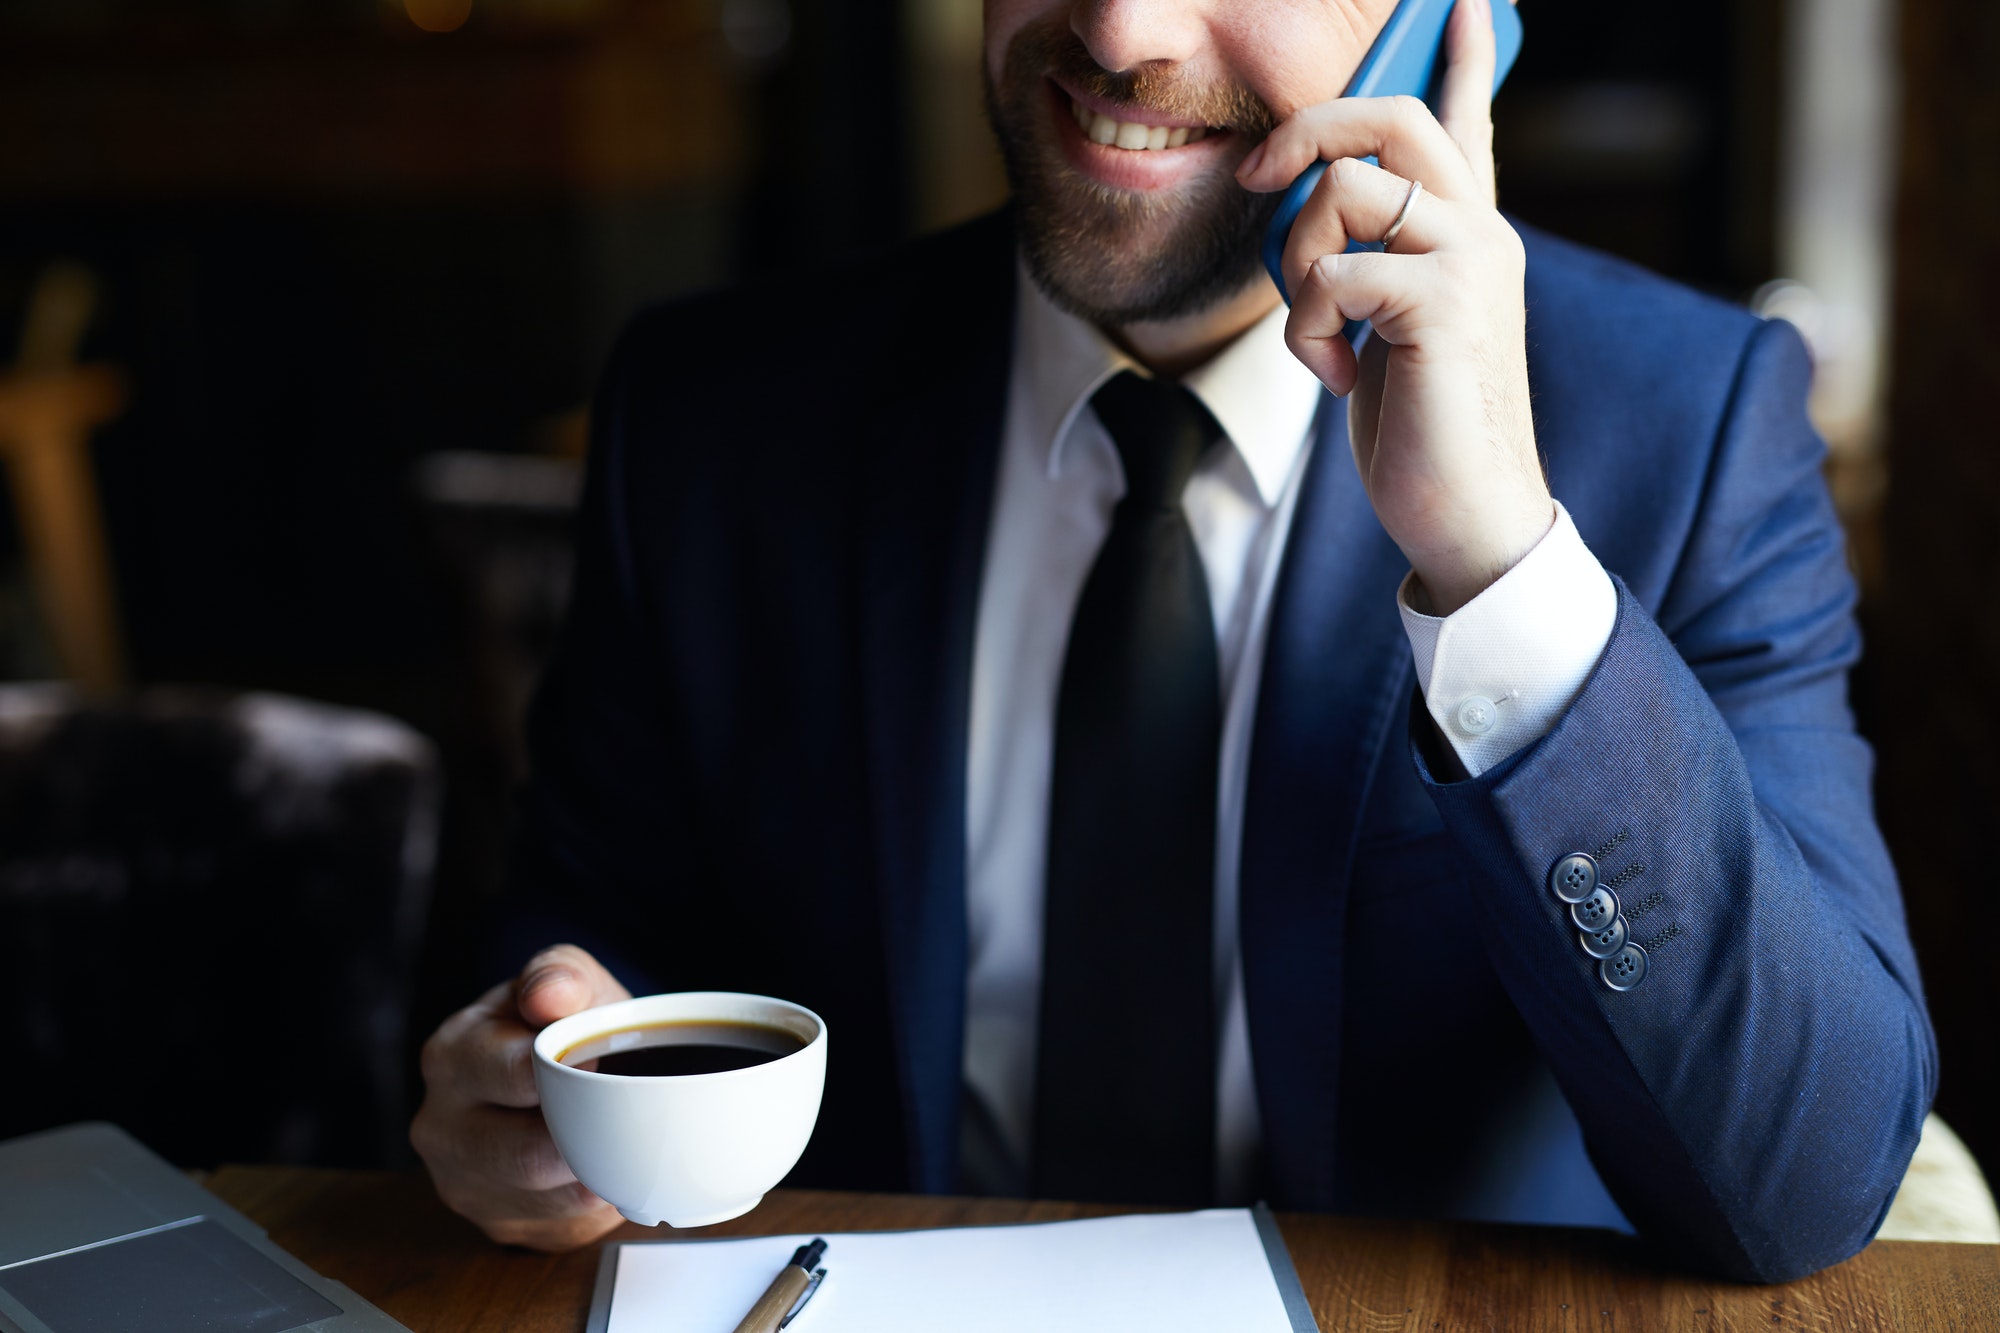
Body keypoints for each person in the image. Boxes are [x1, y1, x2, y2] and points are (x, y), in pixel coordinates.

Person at [409, 0, 1934, 1281]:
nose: (1121, 29)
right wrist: (527, 1085)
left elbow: (1801, 1182)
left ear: (1449, 23)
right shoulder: (710, 418)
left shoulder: (1695, 427)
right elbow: (586, 933)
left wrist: (1499, 568)